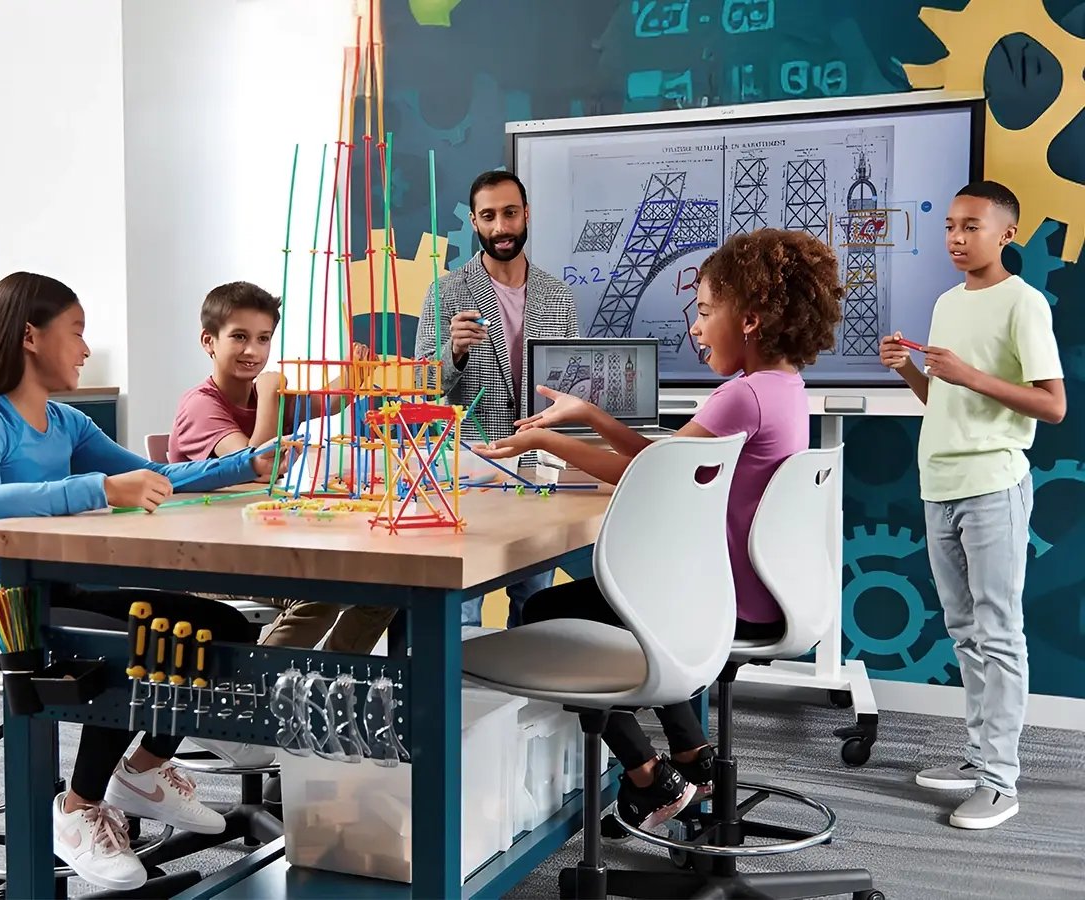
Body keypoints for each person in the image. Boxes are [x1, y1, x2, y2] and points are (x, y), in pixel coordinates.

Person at [478, 228, 845, 833]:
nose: (695, 328)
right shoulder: (784, 390)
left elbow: (643, 476)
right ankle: (691, 753)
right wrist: (592, 415)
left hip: (718, 603)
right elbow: (665, 458)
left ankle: (648, 776)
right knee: (637, 607)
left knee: (542, 607)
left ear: (749, 320)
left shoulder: (740, 397)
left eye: (705, 312)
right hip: (755, 596)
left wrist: (548, 441)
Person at [0, 272, 282, 891]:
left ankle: (144, 770)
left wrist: (247, 464)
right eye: (77, 333)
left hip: (60, 596)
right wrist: (97, 488)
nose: (87, 349)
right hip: (0, 614)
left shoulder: (67, 423)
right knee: (140, 650)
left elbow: (154, 474)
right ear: (30, 338)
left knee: (221, 626)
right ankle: (77, 809)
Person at [880, 181, 1064, 830]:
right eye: (951, 226)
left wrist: (972, 376)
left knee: (998, 633)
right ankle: (977, 756)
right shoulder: (947, 302)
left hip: (993, 485)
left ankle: (999, 782)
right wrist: (908, 369)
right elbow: (944, 400)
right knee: (964, 632)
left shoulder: (1025, 303)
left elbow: (1053, 405)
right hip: (939, 484)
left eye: (972, 228)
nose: (956, 238)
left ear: (1006, 235)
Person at [169, 280, 395, 656]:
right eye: (239, 337)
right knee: (318, 597)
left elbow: (326, 403)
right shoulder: (200, 406)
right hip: (210, 559)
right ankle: (261, 690)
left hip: (261, 547)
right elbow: (255, 465)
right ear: (209, 341)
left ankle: (331, 681)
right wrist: (272, 393)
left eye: (263, 338)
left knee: (385, 588)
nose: (252, 350)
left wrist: (353, 376)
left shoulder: (261, 397)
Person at [415, 169, 579, 627]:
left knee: (534, 603)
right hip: (469, 466)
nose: (501, 227)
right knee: (463, 605)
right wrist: (453, 352)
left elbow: (570, 386)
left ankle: (525, 699)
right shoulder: (446, 291)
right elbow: (421, 388)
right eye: (489, 216)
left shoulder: (558, 296)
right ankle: (464, 698)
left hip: (538, 462)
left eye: (510, 213)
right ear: (474, 221)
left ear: (526, 214)